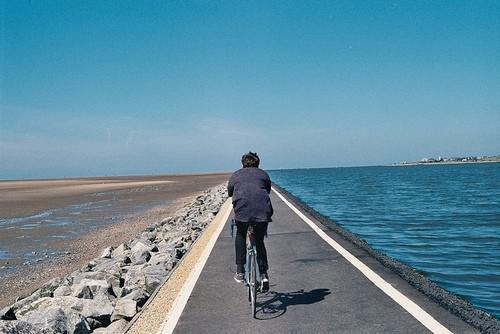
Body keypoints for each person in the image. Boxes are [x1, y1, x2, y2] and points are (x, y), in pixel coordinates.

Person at [227, 152, 273, 292]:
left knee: (241, 235)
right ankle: (264, 274)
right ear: (258, 163)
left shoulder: (236, 175)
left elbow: (230, 192)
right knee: (259, 241)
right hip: (262, 213)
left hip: (242, 213)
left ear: (243, 163)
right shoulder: (263, 174)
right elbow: (268, 190)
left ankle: (240, 271)